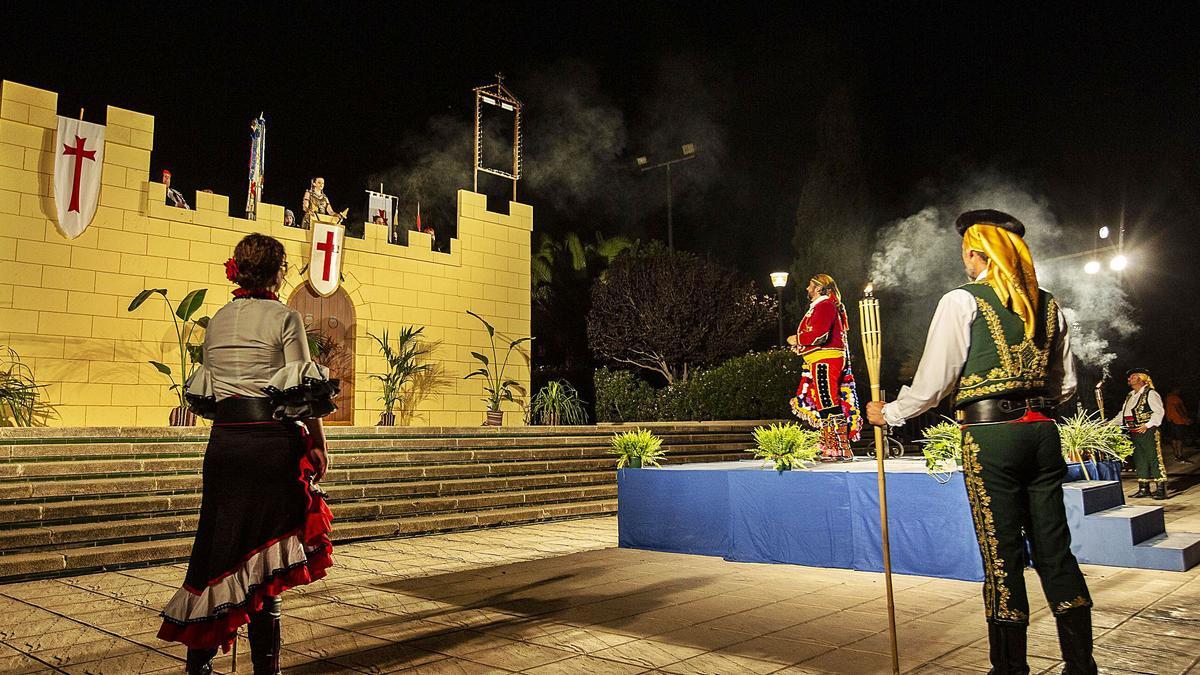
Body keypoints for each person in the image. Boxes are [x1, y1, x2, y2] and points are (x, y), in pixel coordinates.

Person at [865, 209, 1095, 674]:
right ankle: (1081, 666)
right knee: (1055, 549)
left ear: (978, 252)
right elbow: (1065, 385)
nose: (964, 262)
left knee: (1001, 552)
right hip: (1043, 433)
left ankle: (1010, 670)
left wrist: (888, 413)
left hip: (991, 440)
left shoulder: (961, 300)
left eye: (965, 253)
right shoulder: (1052, 307)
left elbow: (933, 383)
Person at [157, 233, 338, 675]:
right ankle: (266, 671)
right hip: (268, 443)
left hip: (224, 445)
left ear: (236, 268)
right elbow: (299, 391)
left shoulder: (217, 320)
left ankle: (196, 666)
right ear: (278, 272)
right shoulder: (286, 317)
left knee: (214, 553)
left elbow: (211, 392)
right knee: (264, 564)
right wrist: (317, 441)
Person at [788, 273, 862, 460]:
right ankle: (832, 445)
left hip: (826, 359)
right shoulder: (824, 305)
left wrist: (797, 339)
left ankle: (840, 447)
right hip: (821, 359)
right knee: (824, 400)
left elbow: (820, 335)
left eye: (810, 285)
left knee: (828, 400)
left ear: (819, 288)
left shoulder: (825, 305)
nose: (807, 289)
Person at [1110, 368, 1167, 499]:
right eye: (1129, 377)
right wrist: (1110, 424)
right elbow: (1124, 414)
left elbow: (1158, 412)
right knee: (1139, 459)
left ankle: (1160, 488)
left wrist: (1147, 425)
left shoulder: (1151, 393)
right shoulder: (1130, 395)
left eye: (1133, 376)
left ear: (1142, 378)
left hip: (1148, 431)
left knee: (1153, 457)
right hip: (1133, 431)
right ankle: (1143, 488)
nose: (1129, 379)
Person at [1163, 386, 1192, 463]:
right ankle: (1180, 455)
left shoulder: (1167, 397)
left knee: (1174, 438)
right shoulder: (1175, 398)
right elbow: (1178, 409)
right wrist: (1186, 418)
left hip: (1171, 420)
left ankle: (1176, 455)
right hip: (1178, 420)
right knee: (1179, 438)